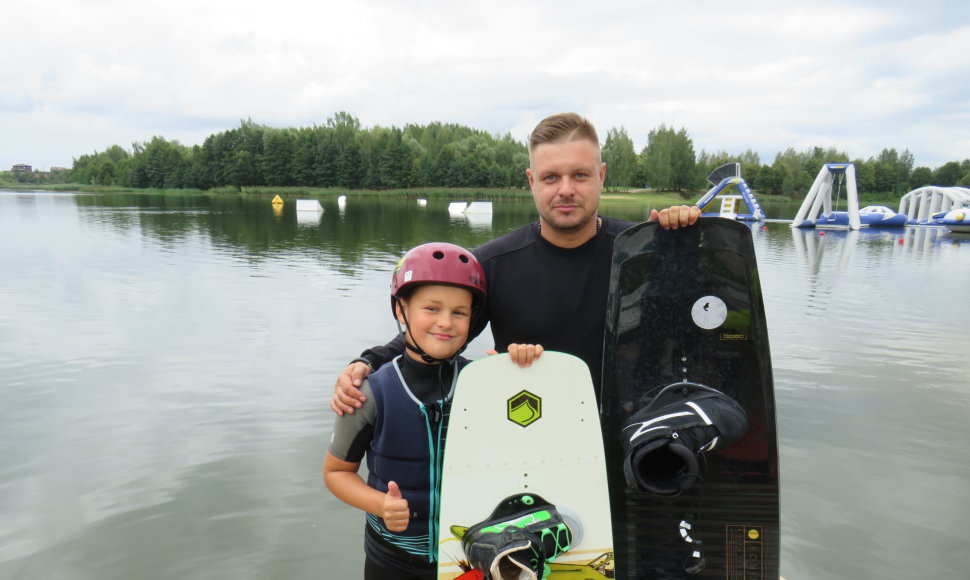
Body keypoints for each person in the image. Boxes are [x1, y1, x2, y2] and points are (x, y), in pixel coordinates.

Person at [331, 112, 700, 416]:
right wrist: (368, 363)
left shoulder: (643, 251)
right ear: (531, 181)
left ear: (601, 175)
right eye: (551, 177)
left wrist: (686, 239)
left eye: (580, 175)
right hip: (530, 432)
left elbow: (699, 331)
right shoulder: (491, 265)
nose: (566, 189)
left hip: (636, 436)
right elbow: (439, 333)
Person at [323, 242, 543, 580]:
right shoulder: (369, 392)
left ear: (473, 319)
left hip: (471, 559)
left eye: (459, 312)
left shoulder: (487, 384)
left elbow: (531, 448)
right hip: (391, 560)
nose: (445, 322)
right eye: (431, 308)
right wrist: (379, 504)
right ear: (401, 310)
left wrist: (522, 371)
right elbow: (336, 473)